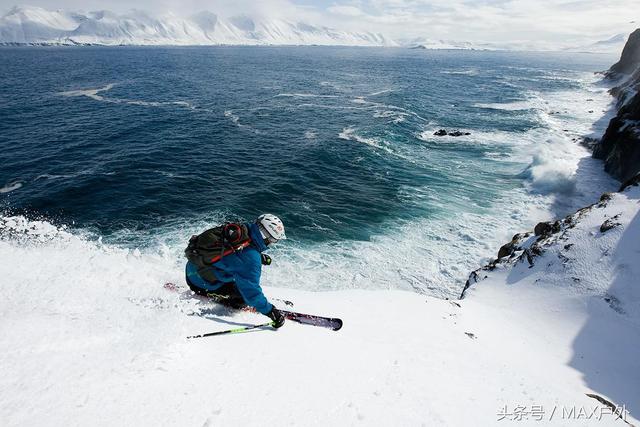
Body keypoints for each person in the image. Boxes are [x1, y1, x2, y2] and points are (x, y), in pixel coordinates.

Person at [185, 214, 287, 328]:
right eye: (273, 240)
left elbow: (232, 254)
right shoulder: (251, 260)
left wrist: (258, 257)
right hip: (200, 283)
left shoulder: (239, 231)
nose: (272, 243)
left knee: (239, 278)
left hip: (193, 268)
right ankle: (212, 295)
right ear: (266, 236)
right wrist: (271, 312)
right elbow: (251, 293)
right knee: (243, 299)